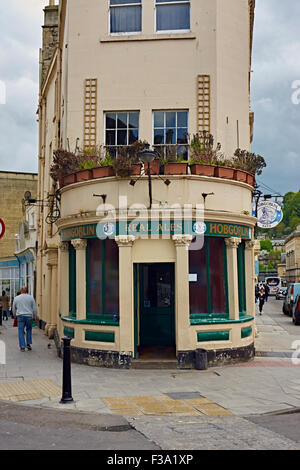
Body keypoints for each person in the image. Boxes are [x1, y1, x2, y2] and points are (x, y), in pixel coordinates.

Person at [12, 286, 37, 352]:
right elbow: (34, 308)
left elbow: (14, 308)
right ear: (27, 291)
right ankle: (28, 344)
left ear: (21, 290)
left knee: (20, 331)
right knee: (29, 330)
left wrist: (14, 315)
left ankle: (22, 347)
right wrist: (34, 316)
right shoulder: (31, 298)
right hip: (29, 316)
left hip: (20, 316)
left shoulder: (16, 298)